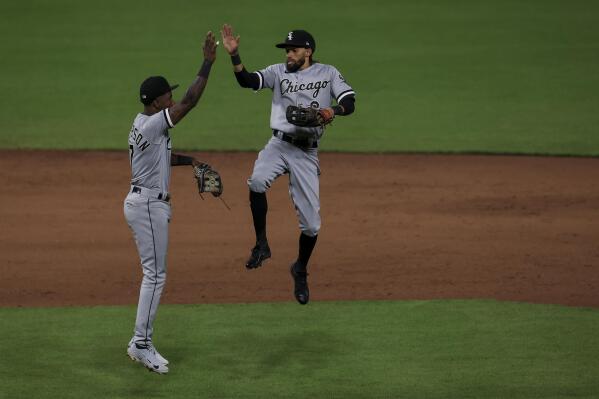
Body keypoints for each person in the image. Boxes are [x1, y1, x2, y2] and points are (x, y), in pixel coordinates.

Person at [220, 24, 356, 305]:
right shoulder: (277, 73)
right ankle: (261, 244)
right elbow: (247, 80)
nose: (288, 55)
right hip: (279, 145)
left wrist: (333, 110)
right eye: (286, 51)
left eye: (293, 50)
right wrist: (234, 55)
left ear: (308, 51)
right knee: (257, 181)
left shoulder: (328, 73)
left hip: (306, 153)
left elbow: (350, 101)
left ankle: (300, 269)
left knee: (311, 226)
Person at [124, 31, 217, 374]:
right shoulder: (151, 125)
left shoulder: (141, 124)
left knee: (154, 274)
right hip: (148, 205)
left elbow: (161, 158)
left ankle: (140, 341)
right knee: (155, 276)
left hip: (145, 202)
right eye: (168, 96)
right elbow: (191, 101)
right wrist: (207, 62)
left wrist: (190, 160)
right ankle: (142, 343)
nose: (173, 98)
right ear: (157, 101)